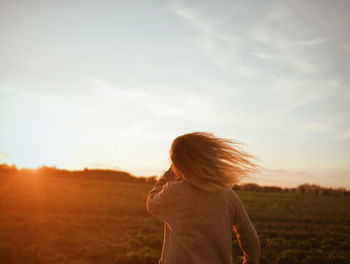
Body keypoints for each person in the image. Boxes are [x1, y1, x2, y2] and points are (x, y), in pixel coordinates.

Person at [146, 132, 261, 264]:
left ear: (178, 163)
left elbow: (151, 203)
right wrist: (250, 261)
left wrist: (168, 174)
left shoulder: (173, 192)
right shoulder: (227, 194)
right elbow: (249, 237)